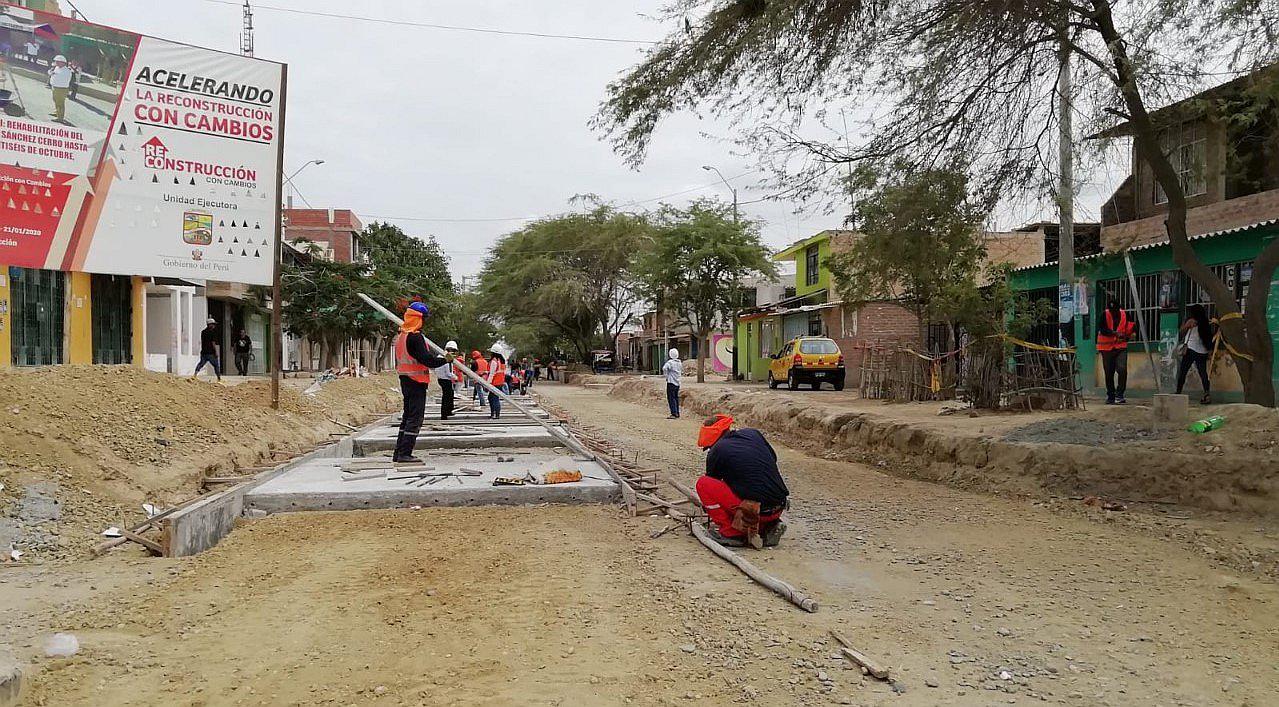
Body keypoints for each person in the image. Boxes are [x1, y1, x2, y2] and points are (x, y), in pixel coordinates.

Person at [695, 415, 789, 549]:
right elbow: (772, 458)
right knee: (752, 487)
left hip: (755, 512)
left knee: (703, 484)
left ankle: (732, 533)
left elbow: (714, 482)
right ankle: (769, 525)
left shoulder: (716, 451)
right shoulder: (753, 433)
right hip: (779, 505)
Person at [393, 302, 451, 463]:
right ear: (419, 319)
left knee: (407, 416)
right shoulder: (415, 337)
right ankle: (405, 453)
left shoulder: (402, 336)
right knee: (415, 418)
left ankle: (399, 452)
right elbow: (427, 360)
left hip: (405, 379)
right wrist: (444, 360)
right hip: (416, 381)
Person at [1097, 299, 1135, 405]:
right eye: (1111, 310)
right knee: (1109, 373)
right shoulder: (1104, 314)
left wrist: (1131, 334)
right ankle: (1111, 396)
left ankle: (1120, 394)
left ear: (1119, 308)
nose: (1112, 312)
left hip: (1120, 346)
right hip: (1106, 348)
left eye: (1114, 310)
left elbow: (1131, 327)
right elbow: (1101, 329)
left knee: (1122, 369)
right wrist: (1114, 333)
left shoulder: (1125, 314)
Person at [1176, 304, 1215, 405]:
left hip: (1191, 349)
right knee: (1203, 374)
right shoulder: (1204, 322)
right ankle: (1207, 394)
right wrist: (1210, 350)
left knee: (1183, 372)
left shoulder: (1191, 321)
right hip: (1202, 351)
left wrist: (1186, 326)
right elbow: (1208, 337)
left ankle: (1178, 393)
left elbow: (1180, 334)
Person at [433, 340, 464, 420]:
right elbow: (448, 373)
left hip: (441, 379)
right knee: (447, 397)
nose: (454, 353)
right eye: (453, 351)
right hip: (445, 380)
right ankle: (445, 414)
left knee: (449, 395)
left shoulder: (439, 357)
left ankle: (448, 411)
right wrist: (455, 377)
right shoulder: (446, 359)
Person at [48, 55, 72, 123]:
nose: (56, 63)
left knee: (60, 103)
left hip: (61, 89)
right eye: (56, 62)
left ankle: (60, 117)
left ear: (63, 62)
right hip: (55, 87)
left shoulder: (66, 71)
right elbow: (51, 72)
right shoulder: (57, 68)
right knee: (55, 100)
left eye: (58, 62)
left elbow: (58, 77)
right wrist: (51, 72)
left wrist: (52, 73)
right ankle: (57, 112)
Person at [662, 348, 683, 419]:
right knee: (676, 398)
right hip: (677, 382)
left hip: (671, 382)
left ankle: (673, 413)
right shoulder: (679, 363)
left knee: (671, 398)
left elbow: (664, 368)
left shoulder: (670, 362)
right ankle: (677, 412)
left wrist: (666, 375)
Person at [487, 351, 508, 418]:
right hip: (500, 382)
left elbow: (492, 373)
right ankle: (495, 414)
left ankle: (495, 414)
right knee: (492, 398)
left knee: (494, 398)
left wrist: (487, 383)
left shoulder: (494, 361)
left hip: (495, 382)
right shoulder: (502, 361)